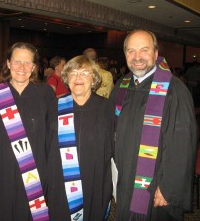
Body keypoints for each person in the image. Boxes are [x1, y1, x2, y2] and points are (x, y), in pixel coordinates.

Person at [110, 29, 197, 221]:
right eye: (131, 51)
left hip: (155, 184)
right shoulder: (122, 85)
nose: (137, 57)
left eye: (144, 50)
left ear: (156, 53)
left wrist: (168, 188)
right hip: (125, 177)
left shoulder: (174, 90)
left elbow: (183, 144)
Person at [0, 42, 56, 220]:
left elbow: (52, 135)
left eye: (27, 63)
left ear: (34, 67)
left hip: (36, 170)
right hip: (3, 171)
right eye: (17, 61)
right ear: (8, 63)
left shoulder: (45, 93)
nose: (22, 67)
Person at [47, 55, 114, 220]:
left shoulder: (107, 108)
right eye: (73, 73)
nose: (78, 78)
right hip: (62, 182)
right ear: (66, 78)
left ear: (94, 79)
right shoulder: (55, 107)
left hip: (95, 180)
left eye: (85, 73)